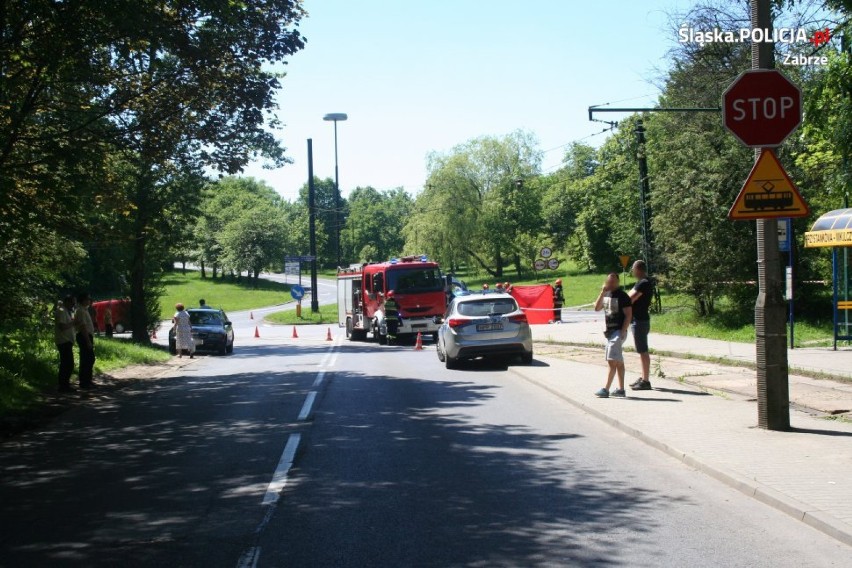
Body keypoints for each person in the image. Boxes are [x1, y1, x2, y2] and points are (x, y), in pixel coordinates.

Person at [593, 273, 632, 398]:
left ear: (618, 282)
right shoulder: (606, 294)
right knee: (618, 362)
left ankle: (606, 389)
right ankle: (621, 389)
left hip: (618, 332)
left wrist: (622, 331)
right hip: (609, 332)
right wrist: (602, 292)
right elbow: (597, 308)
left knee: (611, 361)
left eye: (614, 282)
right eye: (609, 282)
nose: (611, 284)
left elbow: (628, 315)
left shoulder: (623, 296)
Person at [629, 260, 654, 391]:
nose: (632, 272)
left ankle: (646, 381)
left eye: (633, 269)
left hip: (640, 320)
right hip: (639, 319)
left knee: (643, 350)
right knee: (641, 350)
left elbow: (631, 297)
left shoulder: (643, 283)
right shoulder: (642, 282)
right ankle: (643, 376)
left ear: (638, 269)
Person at [74, 292, 96, 389]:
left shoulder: (85, 310)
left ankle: (88, 380)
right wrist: (88, 341)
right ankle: (84, 382)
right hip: (84, 336)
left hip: (87, 335)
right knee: (87, 358)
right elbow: (82, 326)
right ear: (83, 300)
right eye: (87, 299)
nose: (89, 300)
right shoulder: (80, 311)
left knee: (89, 358)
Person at [54, 295, 76, 392]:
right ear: (67, 302)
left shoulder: (65, 311)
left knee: (67, 363)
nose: (73, 305)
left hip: (67, 341)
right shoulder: (62, 311)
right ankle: (63, 386)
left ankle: (65, 385)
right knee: (67, 364)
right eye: (72, 303)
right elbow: (62, 327)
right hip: (63, 341)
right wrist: (73, 323)